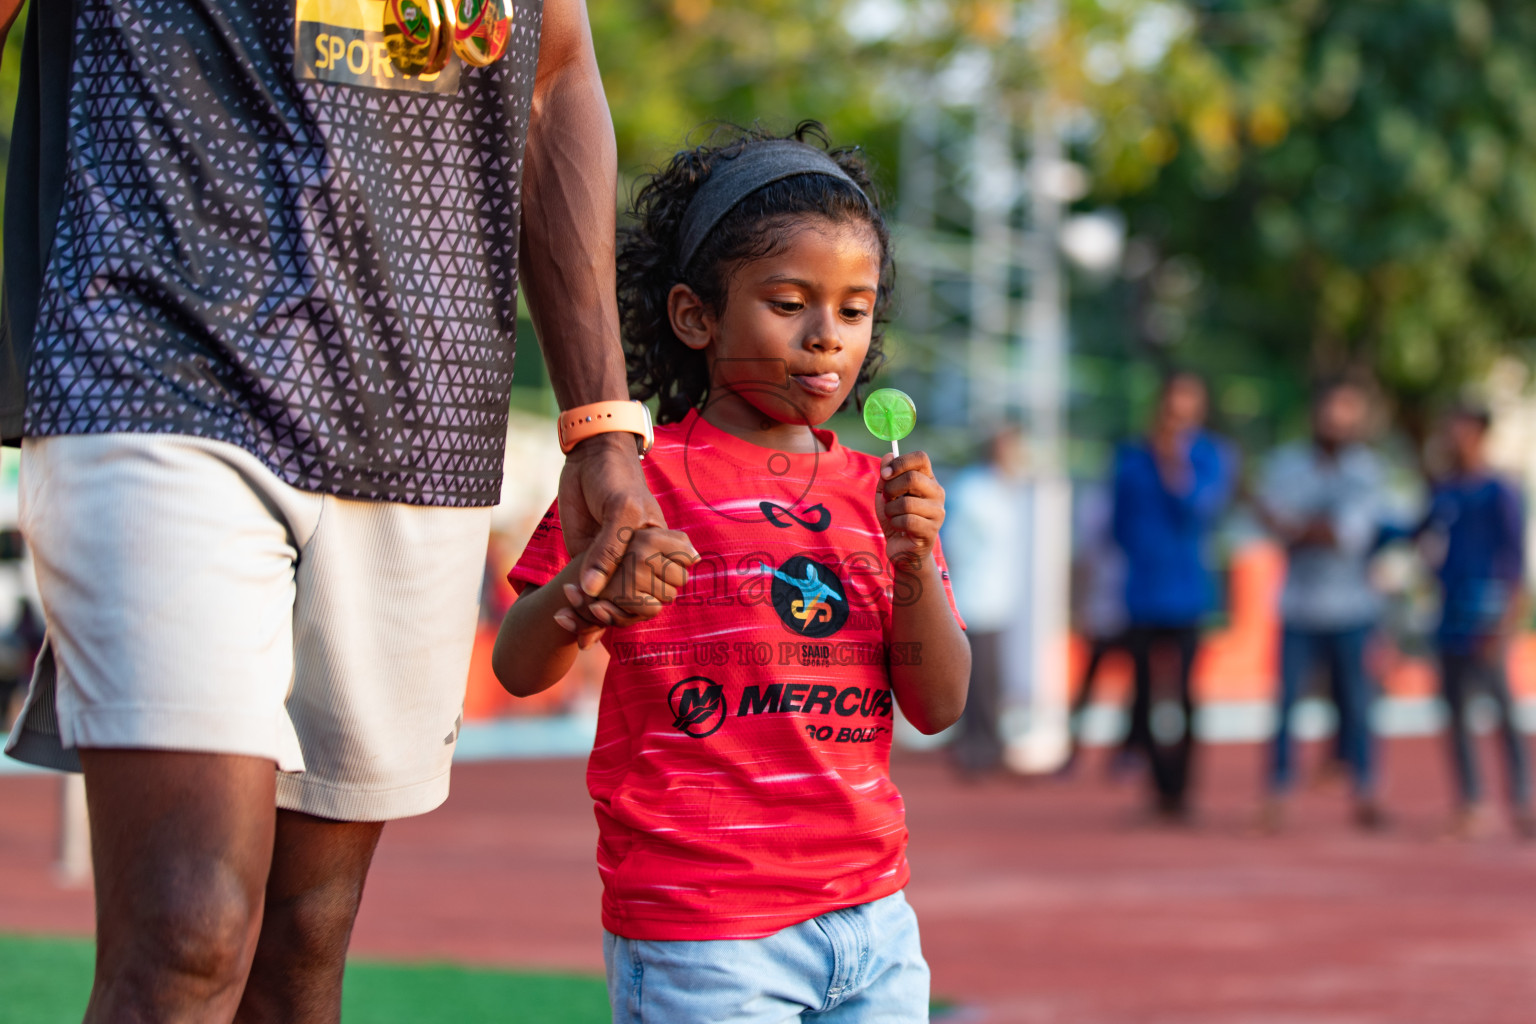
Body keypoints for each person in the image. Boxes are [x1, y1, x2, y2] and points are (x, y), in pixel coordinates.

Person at [1, 1, 675, 1020]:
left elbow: (553, 79)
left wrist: (603, 427)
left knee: (302, 944)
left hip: (419, 412)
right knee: (187, 929)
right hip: (151, 369)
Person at [494, 124, 971, 1022]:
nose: (828, 338)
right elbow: (518, 666)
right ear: (695, 316)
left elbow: (938, 705)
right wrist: (587, 588)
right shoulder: (636, 477)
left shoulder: (885, 493)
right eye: (789, 303)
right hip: (706, 929)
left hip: (873, 920)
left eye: (855, 310)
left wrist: (912, 569)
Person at [1254, 377, 1386, 831]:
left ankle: (1367, 791)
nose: (1336, 421)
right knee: (1286, 704)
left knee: (1358, 704)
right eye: (1330, 410)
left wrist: (1301, 529)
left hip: (1353, 608)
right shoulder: (1287, 464)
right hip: (1298, 606)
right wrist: (1310, 530)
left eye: (1346, 412)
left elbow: (1347, 536)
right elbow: (1272, 523)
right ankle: (1277, 794)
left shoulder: (1366, 470)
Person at [1111, 370, 1235, 820]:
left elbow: (1199, 509)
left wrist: (1173, 462)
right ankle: (1156, 790)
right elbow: (1119, 524)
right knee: (1143, 695)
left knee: (1183, 695)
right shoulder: (1130, 455)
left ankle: (1181, 793)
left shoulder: (1212, 456)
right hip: (1142, 592)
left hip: (1187, 595)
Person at [1415, 402, 1533, 838]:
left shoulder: (1500, 490)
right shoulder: (1442, 491)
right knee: (1455, 709)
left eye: (1461, 429)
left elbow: (1516, 558)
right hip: (1448, 613)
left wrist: (1508, 617)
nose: (1453, 437)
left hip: (1486, 611)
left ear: (1481, 434)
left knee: (1501, 706)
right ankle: (1471, 801)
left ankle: (1521, 798)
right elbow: (1418, 536)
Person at [943, 427, 1029, 777]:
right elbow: (955, 545)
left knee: (990, 677)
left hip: (995, 597)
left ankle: (987, 744)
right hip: (973, 596)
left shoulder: (1002, 489)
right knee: (977, 678)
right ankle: (976, 746)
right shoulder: (973, 490)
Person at [1062, 477, 1131, 772]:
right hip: (1103, 608)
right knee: (1089, 683)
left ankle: (1127, 751)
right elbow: (1084, 559)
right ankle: (1074, 749)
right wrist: (1080, 605)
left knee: (1136, 686)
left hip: (1132, 607)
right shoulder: (1097, 503)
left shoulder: (1134, 500)